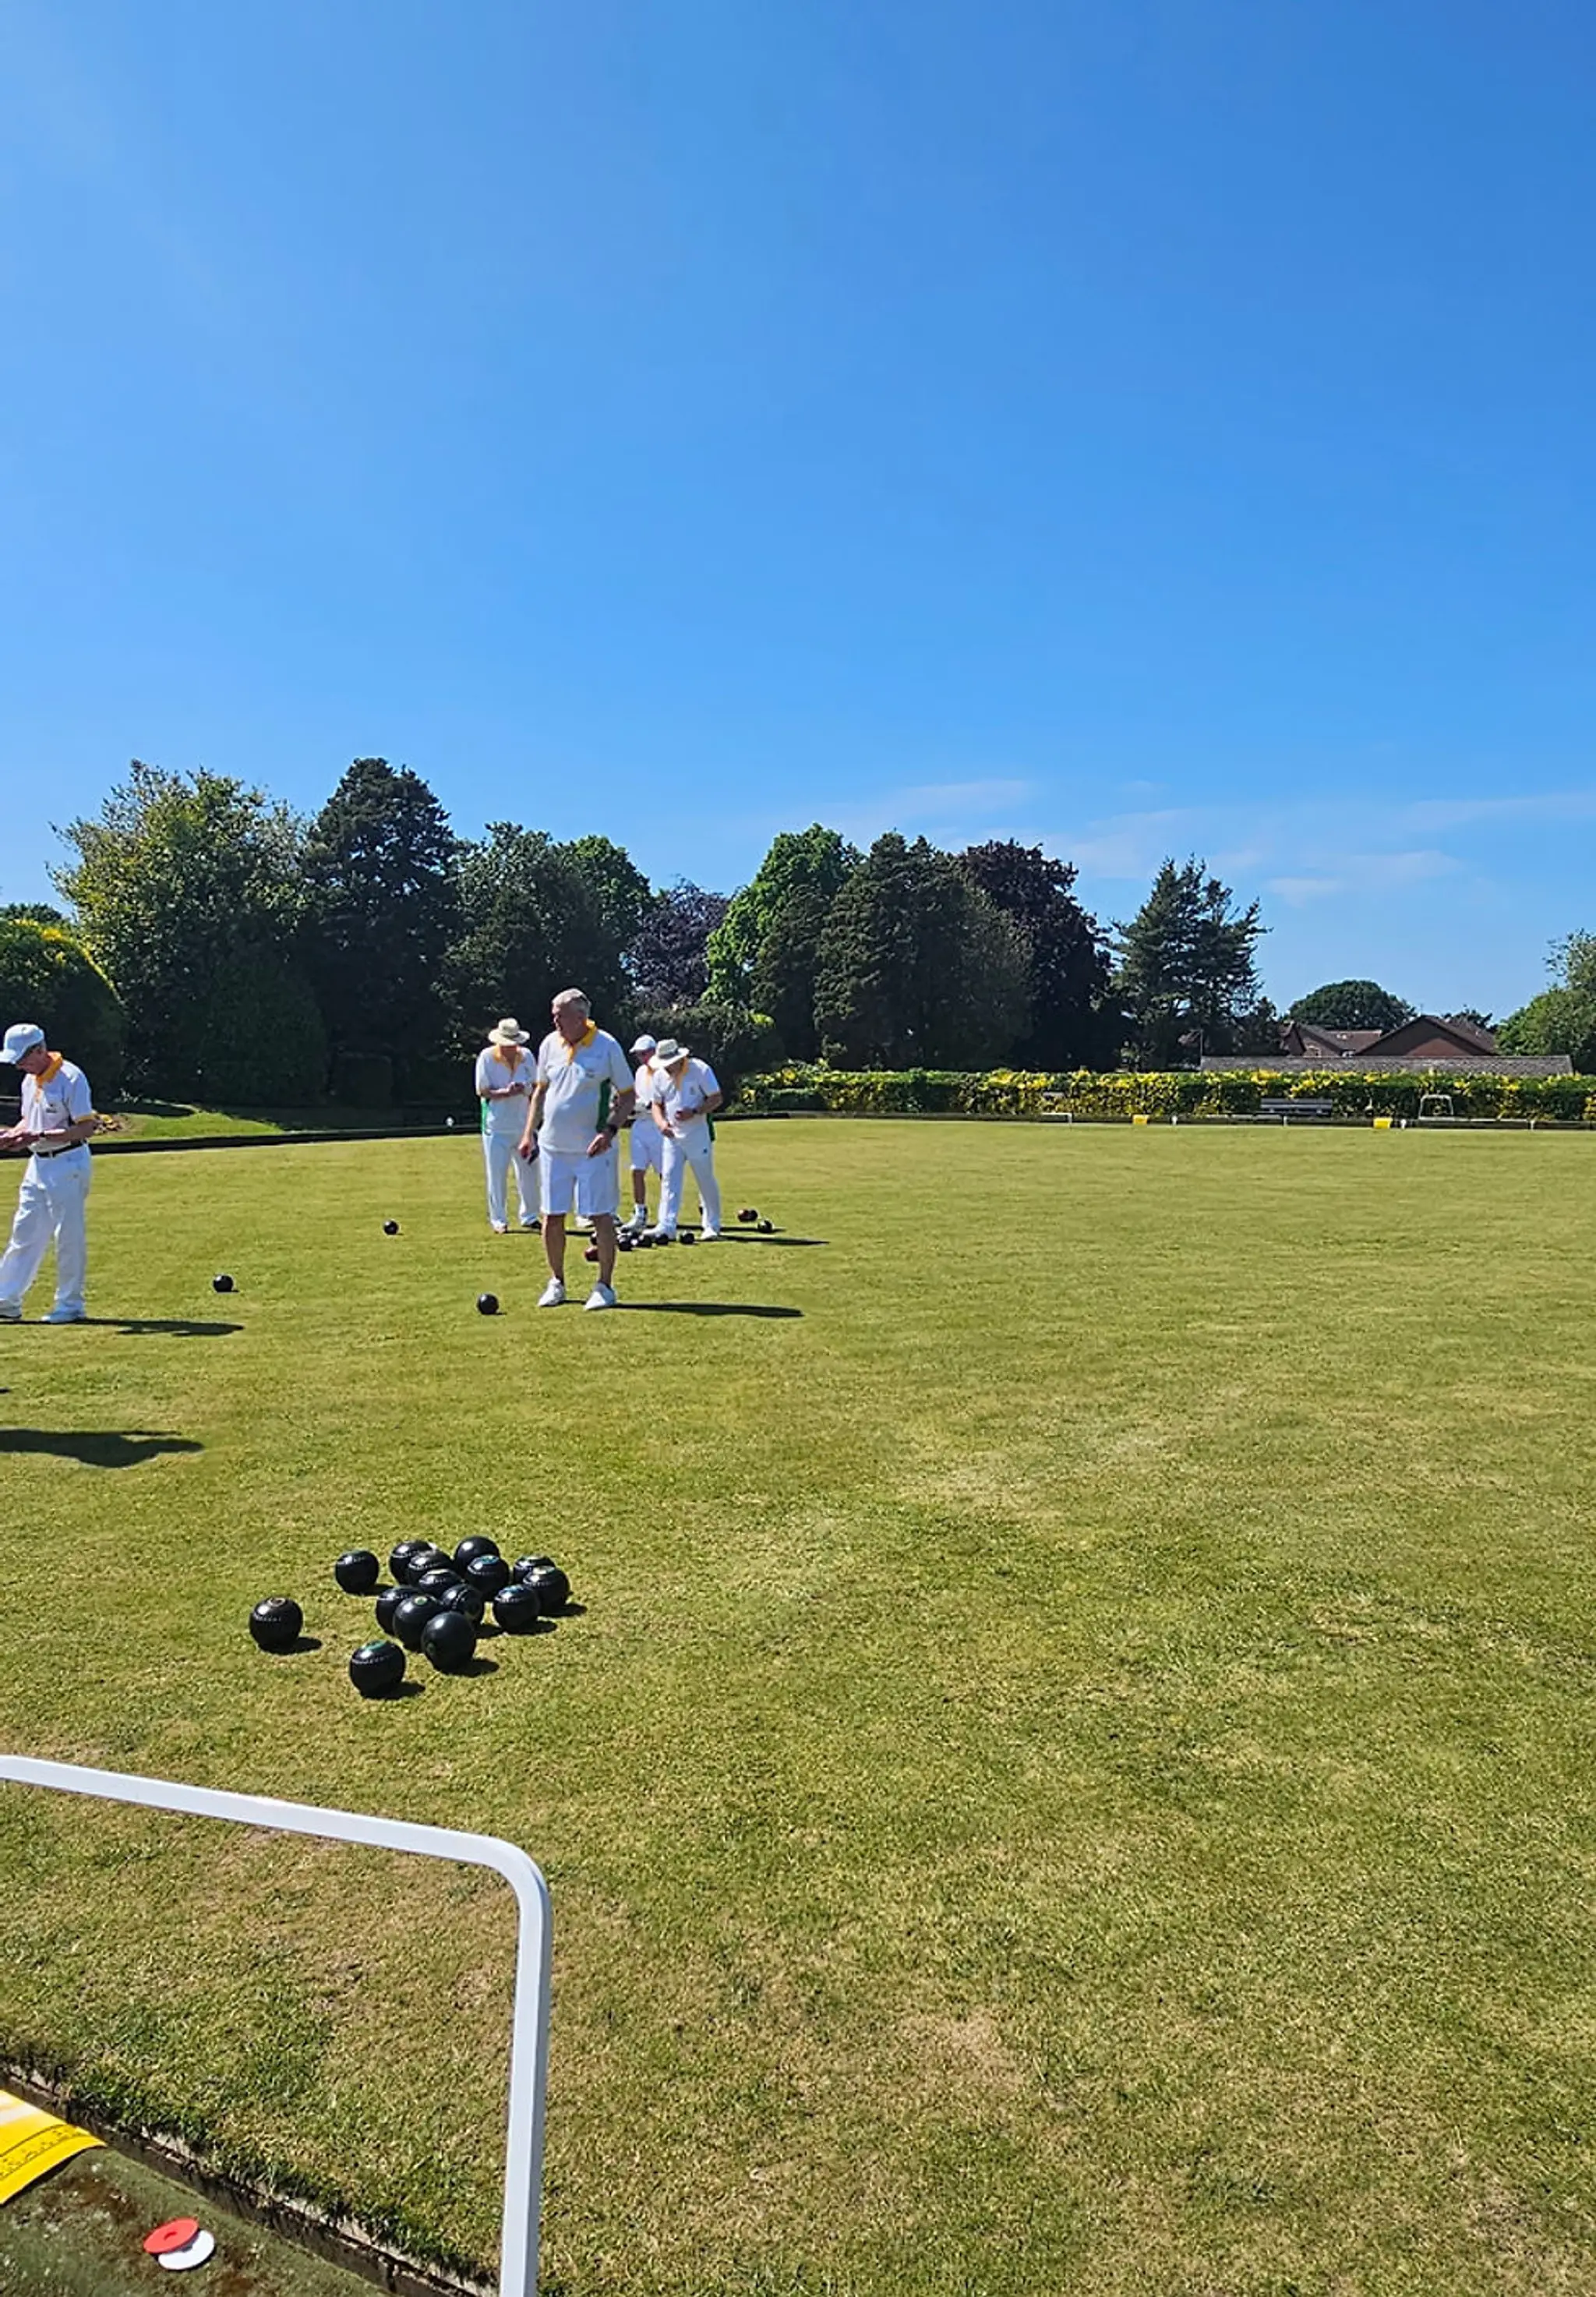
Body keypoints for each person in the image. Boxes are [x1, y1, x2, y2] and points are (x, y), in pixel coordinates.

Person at [517, 988, 634, 1311]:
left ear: (581, 1017)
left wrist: (609, 1131)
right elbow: (540, 1092)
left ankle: (604, 1286)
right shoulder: (548, 1045)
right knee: (551, 1216)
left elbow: (627, 1096)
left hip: (593, 1150)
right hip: (554, 1148)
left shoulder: (607, 1046)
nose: (555, 1020)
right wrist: (529, 1133)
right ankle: (557, 1282)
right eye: (553, 1014)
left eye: (561, 1015)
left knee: (600, 1215)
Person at [0, 1021, 99, 1323]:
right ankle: (6, 1300)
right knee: (25, 1231)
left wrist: (39, 1135)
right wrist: (13, 1136)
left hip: (68, 1163)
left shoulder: (71, 1078)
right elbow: (27, 1121)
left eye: (23, 1058)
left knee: (68, 1236)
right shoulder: (30, 1081)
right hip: (38, 1164)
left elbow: (86, 1127)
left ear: (41, 1049)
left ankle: (70, 1305)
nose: (18, 1065)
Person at [648, 1038, 723, 1242]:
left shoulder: (700, 1069)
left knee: (704, 1178)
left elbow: (716, 1098)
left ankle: (712, 1225)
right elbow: (656, 1104)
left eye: (668, 1064)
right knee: (669, 1179)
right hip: (672, 1136)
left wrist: (696, 1112)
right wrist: (661, 1123)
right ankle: (666, 1225)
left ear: (679, 1058)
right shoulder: (659, 1076)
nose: (665, 1068)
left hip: (697, 1134)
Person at [474, 1019, 538, 1233]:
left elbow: (537, 1087)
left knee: (529, 1172)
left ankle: (529, 1216)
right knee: (497, 1174)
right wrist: (506, 1092)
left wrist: (524, 1089)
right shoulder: (487, 1058)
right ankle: (499, 1219)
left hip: (523, 1125)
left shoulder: (527, 1057)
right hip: (496, 1127)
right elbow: (483, 1091)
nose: (511, 1048)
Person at [621, 1033, 663, 1236]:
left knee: (665, 1173)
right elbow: (637, 1096)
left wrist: (649, 1106)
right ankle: (640, 1214)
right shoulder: (639, 1072)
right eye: (639, 1055)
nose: (642, 1058)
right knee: (637, 1170)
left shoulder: (664, 1071)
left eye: (645, 1053)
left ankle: (666, 1216)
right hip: (640, 1126)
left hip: (658, 1127)